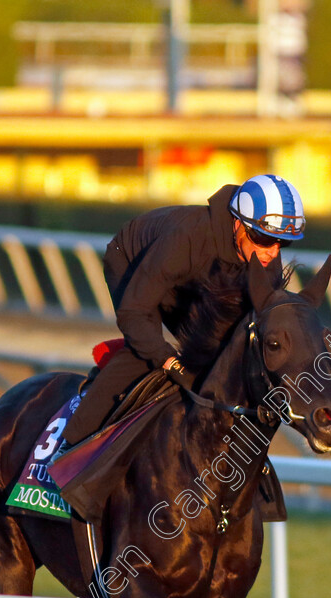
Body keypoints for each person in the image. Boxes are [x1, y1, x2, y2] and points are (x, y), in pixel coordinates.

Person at [52, 174, 306, 461]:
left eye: (282, 244)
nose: (272, 252)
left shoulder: (266, 259)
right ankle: (69, 445)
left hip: (194, 281)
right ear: (238, 224)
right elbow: (134, 312)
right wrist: (168, 360)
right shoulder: (188, 236)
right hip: (134, 261)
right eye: (263, 239)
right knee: (145, 353)